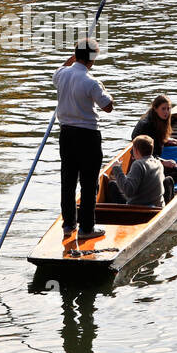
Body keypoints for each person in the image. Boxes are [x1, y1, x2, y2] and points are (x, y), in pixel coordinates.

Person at [54, 37, 114, 241]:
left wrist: (74, 56)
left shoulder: (61, 74)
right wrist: (107, 92)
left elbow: (63, 67)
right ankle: (86, 228)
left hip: (66, 134)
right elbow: (108, 107)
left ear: (74, 55)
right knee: (89, 184)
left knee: (68, 181)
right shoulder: (92, 81)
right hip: (88, 135)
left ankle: (68, 224)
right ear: (93, 59)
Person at [131, 94, 177, 185]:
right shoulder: (147, 126)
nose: (166, 112)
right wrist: (163, 162)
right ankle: (155, 183)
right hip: (145, 165)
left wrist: (164, 139)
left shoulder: (156, 120)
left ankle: (158, 180)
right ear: (155, 108)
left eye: (168, 109)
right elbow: (145, 154)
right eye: (163, 109)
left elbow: (154, 140)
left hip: (153, 160)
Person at [106, 135, 166, 207]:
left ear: (136, 150)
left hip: (138, 208)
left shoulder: (138, 164)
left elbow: (128, 191)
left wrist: (117, 169)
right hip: (158, 206)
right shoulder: (158, 163)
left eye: (133, 149)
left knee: (112, 185)